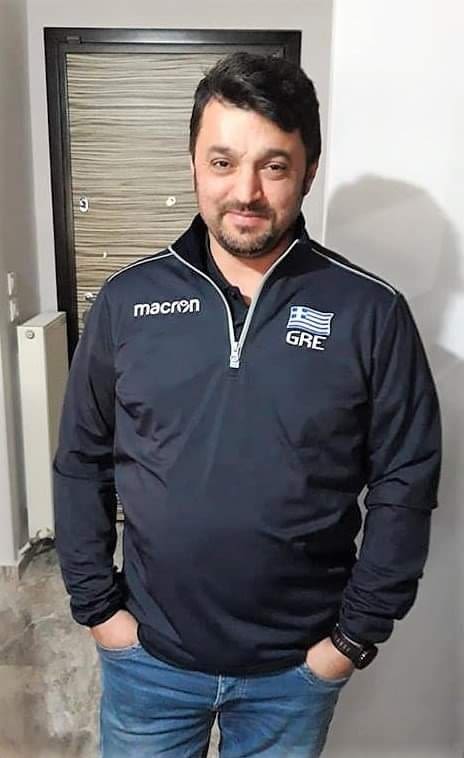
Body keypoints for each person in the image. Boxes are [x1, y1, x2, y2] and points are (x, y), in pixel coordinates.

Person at [53, 52, 441, 757]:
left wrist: (352, 639)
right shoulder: (127, 300)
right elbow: (81, 459)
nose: (247, 191)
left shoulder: (371, 311)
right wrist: (98, 609)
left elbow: (406, 481)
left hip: (294, 673)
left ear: (308, 170)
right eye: (223, 162)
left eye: (274, 165)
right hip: (149, 661)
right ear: (193, 165)